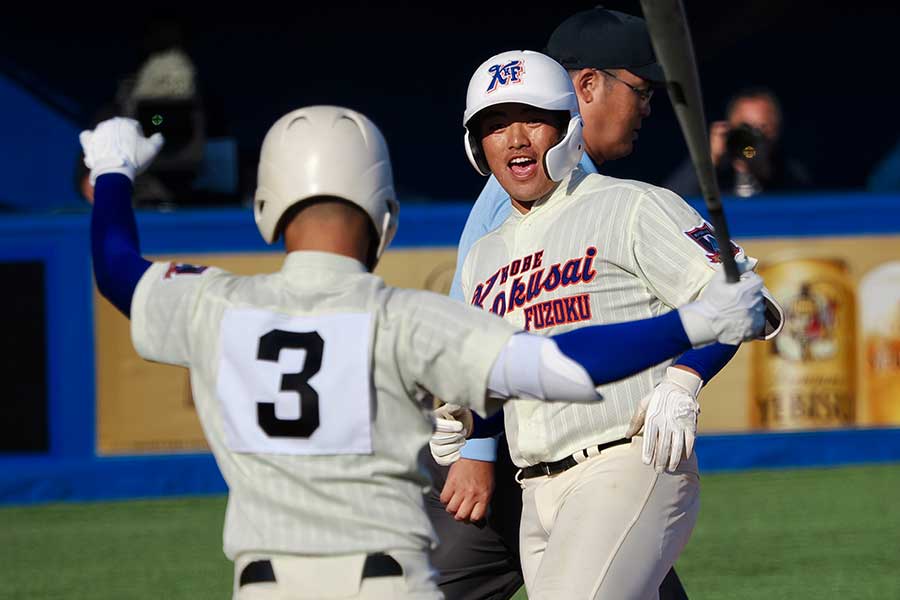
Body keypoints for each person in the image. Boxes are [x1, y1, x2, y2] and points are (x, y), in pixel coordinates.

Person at [83, 109, 764, 599]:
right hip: (386, 580)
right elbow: (564, 367)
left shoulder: (215, 306)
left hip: (264, 583)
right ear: (386, 217)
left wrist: (113, 169)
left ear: (264, 208)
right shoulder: (408, 318)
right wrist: (691, 325)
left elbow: (116, 267)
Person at [430, 48, 779, 600]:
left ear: (567, 126)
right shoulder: (483, 256)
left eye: (532, 119)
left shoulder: (630, 205)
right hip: (535, 492)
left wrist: (685, 379)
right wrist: (466, 418)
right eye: (495, 125)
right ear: (477, 146)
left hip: (624, 463)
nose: (515, 139)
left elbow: (747, 303)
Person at [664, 86, 811, 198]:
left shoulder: (789, 173)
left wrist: (764, 172)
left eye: (761, 128)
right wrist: (710, 160)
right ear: (730, 128)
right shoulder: (715, 172)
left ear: (776, 130)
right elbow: (672, 201)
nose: (751, 138)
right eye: (745, 128)